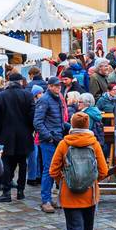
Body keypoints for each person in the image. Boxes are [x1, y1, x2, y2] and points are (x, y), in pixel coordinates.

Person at [49, 112, 109, 230]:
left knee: (74, 229)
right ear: (87, 125)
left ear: (73, 125)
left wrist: (65, 182)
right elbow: (103, 171)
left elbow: (53, 170)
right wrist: (91, 181)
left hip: (69, 196)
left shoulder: (64, 144)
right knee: (87, 229)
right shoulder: (94, 144)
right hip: (90, 195)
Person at [0, 73, 33, 204]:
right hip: (24, 133)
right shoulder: (28, 95)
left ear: (9, 82)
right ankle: (21, 191)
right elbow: (32, 116)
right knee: (22, 162)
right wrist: (31, 130)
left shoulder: (1, 96)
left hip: (6, 134)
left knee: (7, 163)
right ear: (20, 81)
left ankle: (7, 191)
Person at [34, 76, 69, 212]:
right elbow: (38, 123)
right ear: (49, 86)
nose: (58, 88)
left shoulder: (58, 98)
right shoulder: (44, 100)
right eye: (55, 86)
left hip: (58, 138)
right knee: (49, 170)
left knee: (58, 169)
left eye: (59, 86)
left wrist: (69, 127)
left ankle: (52, 197)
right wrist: (49, 137)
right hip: (49, 141)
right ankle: (46, 200)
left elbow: (58, 121)